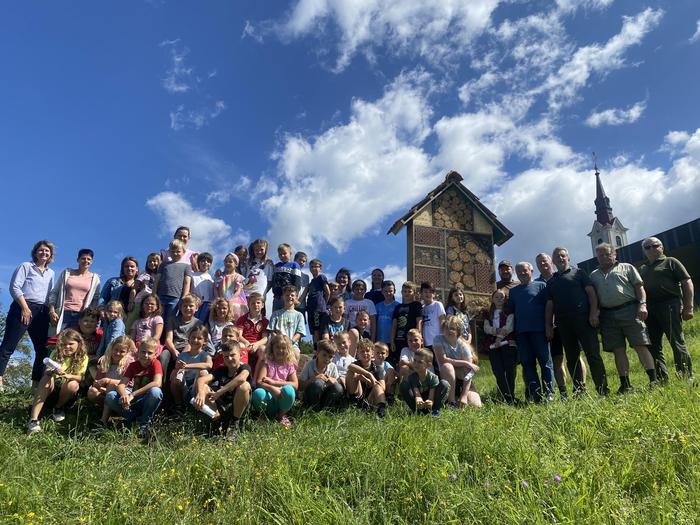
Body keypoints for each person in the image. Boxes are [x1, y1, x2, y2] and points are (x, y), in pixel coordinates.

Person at [589, 243, 657, 393]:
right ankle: (625, 384)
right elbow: (593, 298)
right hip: (607, 316)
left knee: (640, 345)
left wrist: (642, 305)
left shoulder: (627, 267)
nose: (604, 257)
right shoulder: (593, 275)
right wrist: (595, 313)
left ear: (614, 254)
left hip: (630, 311)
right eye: (600, 255)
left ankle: (653, 380)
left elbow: (640, 288)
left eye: (607, 254)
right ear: (597, 258)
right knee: (618, 350)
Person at [545, 247, 609, 396]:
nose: (560, 259)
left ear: (568, 258)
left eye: (563, 256)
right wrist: (548, 325)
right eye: (557, 257)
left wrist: (594, 313)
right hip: (563, 324)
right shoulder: (551, 281)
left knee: (593, 355)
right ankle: (580, 391)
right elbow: (550, 305)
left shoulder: (579, 273)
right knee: (572, 358)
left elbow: (591, 293)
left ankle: (602, 389)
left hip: (584, 320)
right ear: (553, 261)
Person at [0, 240, 55, 391]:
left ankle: (35, 384)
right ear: (35, 252)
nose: (44, 253)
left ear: (50, 255)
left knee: (42, 349)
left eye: (47, 251)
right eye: (41, 250)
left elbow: (50, 295)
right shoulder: (26, 266)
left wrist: (51, 310)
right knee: (9, 345)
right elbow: (15, 287)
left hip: (41, 311)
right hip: (23, 306)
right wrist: (24, 307)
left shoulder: (51, 273)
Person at [640, 237, 695, 380]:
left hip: (670, 304)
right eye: (647, 247)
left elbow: (687, 282)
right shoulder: (643, 269)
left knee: (676, 341)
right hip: (650, 309)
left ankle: (685, 376)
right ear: (644, 252)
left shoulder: (671, 262)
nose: (651, 249)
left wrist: (689, 306)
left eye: (655, 245)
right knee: (653, 345)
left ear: (662, 247)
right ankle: (661, 378)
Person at [507, 262, 554, 402]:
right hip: (521, 333)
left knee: (545, 362)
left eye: (525, 270)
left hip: (540, 330)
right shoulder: (513, 291)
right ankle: (536, 394)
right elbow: (510, 313)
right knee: (528, 364)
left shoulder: (541, 286)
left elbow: (549, 307)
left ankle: (549, 393)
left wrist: (549, 326)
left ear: (531, 270)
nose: (522, 273)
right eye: (519, 271)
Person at [27, 329, 88, 434]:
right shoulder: (55, 353)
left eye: (71, 344)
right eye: (64, 344)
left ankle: (58, 407)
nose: (67, 347)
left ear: (79, 343)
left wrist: (67, 375)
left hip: (67, 393)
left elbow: (81, 378)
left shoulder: (83, 357)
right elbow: (46, 371)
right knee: (46, 378)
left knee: (73, 384)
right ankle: (33, 420)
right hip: (51, 390)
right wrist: (53, 371)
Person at [104, 337, 163, 440]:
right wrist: (124, 395)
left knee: (156, 392)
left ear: (155, 354)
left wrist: (133, 394)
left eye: (149, 353)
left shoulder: (155, 363)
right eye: (143, 352)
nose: (145, 355)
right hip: (133, 401)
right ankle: (134, 418)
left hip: (146, 399)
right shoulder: (133, 365)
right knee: (110, 396)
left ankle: (144, 422)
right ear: (138, 352)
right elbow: (121, 385)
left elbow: (157, 383)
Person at [193, 340, 252, 440]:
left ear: (240, 355)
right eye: (226, 356)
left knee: (244, 386)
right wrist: (200, 393)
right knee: (203, 387)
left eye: (233, 355)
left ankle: (234, 423)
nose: (229, 359)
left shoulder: (244, 367)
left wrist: (219, 392)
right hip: (221, 405)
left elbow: (242, 378)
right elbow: (202, 379)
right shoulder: (221, 370)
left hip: (239, 405)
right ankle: (217, 422)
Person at [535, 252, 575, 399]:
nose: (543, 264)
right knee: (557, 361)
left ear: (551, 261)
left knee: (576, 356)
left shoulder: (561, 276)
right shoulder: (537, 284)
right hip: (552, 327)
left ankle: (580, 388)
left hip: (568, 322)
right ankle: (563, 392)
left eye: (545, 261)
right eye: (539, 263)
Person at [48, 248, 101, 336]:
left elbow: (95, 299)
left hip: (81, 316)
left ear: (92, 261)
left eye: (89, 259)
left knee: (76, 343)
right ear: (78, 259)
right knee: (58, 340)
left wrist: (91, 317)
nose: (86, 261)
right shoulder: (67, 273)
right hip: (63, 313)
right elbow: (55, 292)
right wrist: (52, 311)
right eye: (83, 258)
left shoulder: (95, 278)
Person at [433, 316, 481, 408]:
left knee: (476, 406)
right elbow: (443, 359)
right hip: (446, 378)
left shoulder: (464, 346)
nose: (449, 330)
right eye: (446, 327)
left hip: (463, 381)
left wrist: (464, 396)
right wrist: (466, 363)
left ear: (458, 331)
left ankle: (460, 396)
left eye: (452, 328)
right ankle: (452, 403)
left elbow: (469, 372)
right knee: (447, 366)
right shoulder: (438, 339)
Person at [251, 333, 298, 427]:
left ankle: (281, 416)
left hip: (282, 401)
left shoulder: (289, 364)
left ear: (288, 349)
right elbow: (259, 382)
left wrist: (275, 383)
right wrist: (272, 389)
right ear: (272, 348)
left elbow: (295, 384)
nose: (280, 350)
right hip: (268, 399)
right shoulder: (267, 362)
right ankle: (262, 416)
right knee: (258, 393)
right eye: (277, 347)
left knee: (289, 390)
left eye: (283, 348)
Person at [88, 335, 134, 424]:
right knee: (92, 392)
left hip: (124, 392)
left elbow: (129, 383)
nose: (117, 353)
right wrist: (98, 384)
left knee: (111, 386)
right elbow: (98, 380)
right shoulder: (106, 360)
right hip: (108, 390)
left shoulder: (129, 363)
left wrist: (108, 381)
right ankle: (111, 410)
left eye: (122, 351)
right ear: (112, 348)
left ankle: (103, 420)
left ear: (127, 352)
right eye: (116, 350)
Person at [483, 289, 517, 404]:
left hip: (508, 344)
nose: (499, 299)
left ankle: (510, 397)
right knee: (498, 371)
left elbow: (509, 327)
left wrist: (499, 338)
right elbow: (486, 328)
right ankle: (506, 398)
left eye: (501, 297)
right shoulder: (489, 313)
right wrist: (496, 331)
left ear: (505, 299)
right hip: (493, 346)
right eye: (496, 297)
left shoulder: (509, 312)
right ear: (492, 299)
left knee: (510, 371)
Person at [171, 325, 213, 412]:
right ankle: (179, 405)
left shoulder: (205, 355)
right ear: (188, 338)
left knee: (203, 373)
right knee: (175, 374)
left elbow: (209, 365)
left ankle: (197, 405)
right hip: (184, 385)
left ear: (205, 341)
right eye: (193, 337)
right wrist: (178, 368)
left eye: (199, 338)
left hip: (197, 386)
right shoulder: (183, 355)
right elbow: (176, 368)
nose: (195, 340)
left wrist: (187, 366)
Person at [399, 348, 450, 416]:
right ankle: (417, 411)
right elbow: (417, 394)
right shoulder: (412, 377)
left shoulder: (433, 377)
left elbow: (431, 397)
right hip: (418, 403)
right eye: (414, 360)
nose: (416, 364)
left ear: (428, 365)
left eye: (420, 362)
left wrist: (430, 401)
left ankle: (435, 410)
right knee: (403, 385)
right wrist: (418, 399)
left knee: (444, 384)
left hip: (431, 403)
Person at [155, 239, 193, 328]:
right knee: (158, 320)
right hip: (161, 296)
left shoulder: (186, 266)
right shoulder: (164, 264)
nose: (175, 253)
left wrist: (184, 296)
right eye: (173, 251)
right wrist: (153, 294)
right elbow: (157, 280)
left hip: (175, 298)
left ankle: (168, 340)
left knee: (170, 320)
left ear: (183, 252)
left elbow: (187, 282)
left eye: (178, 251)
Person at [346, 338, 387, 418]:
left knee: (378, 386)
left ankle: (381, 412)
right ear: (358, 353)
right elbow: (350, 366)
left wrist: (368, 381)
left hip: (370, 399)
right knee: (351, 373)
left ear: (372, 353)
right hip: (358, 394)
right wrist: (369, 375)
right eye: (362, 351)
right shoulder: (355, 364)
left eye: (367, 351)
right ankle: (354, 403)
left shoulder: (378, 368)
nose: (365, 353)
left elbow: (383, 387)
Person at [299, 339, 343, 411]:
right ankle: (313, 410)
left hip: (325, 397)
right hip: (310, 396)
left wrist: (334, 381)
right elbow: (300, 386)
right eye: (324, 355)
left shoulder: (332, 366)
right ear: (317, 353)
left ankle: (325, 410)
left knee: (338, 387)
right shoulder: (309, 364)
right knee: (318, 383)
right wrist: (312, 379)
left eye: (330, 357)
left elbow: (338, 385)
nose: (327, 359)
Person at [163, 294, 205, 369]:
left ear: (196, 308)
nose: (188, 308)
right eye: (185, 306)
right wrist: (174, 351)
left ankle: (178, 377)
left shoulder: (198, 323)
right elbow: (168, 339)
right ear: (180, 308)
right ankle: (162, 379)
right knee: (163, 355)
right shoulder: (172, 320)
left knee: (187, 354)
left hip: (189, 348)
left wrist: (183, 354)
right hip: (173, 347)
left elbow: (196, 341)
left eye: (191, 306)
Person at [390, 281, 423, 368]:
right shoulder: (398, 307)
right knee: (399, 362)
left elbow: (419, 321)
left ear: (414, 293)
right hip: (399, 339)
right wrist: (392, 340)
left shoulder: (417, 305)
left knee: (413, 360)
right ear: (401, 292)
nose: (407, 293)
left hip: (412, 340)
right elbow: (394, 324)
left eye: (409, 291)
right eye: (404, 291)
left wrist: (418, 337)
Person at [268, 285, 306, 359]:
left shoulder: (299, 315)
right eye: (287, 295)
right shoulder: (276, 313)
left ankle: (293, 371)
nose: (290, 297)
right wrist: (279, 342)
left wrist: (289, 343)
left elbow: (299, 333)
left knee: (296, 354)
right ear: (283, 297)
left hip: (292, 344)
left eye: (292, 295)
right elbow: (272, 331)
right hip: (277, 343)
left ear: (296, 297)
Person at [300, 259, 330, 344]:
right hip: (311, 309)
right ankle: (316, 350)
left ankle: (323, 349)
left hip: (318, 308)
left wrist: (324, 303)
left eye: (316, 266)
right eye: (312, 267)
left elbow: (327, 292)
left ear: (320, 268)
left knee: (318, 330)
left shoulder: (321, 277)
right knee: (313, 331)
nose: (313, 268)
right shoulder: (311, 282)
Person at [243, 239, 274, 311]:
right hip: (247, 294)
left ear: (265, 249)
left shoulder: (268, 263)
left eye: (261, 249)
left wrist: (264, 291)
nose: (259, 252)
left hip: (260, 295)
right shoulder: (248, 261)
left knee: (259, 318)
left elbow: (270, 281)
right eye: (256, 250)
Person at [270, 244, 302, 312]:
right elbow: (273, 281)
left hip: (288, 297)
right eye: (280, 254)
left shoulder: (295, 265)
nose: (282, 256)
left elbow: (297, 282)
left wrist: (295, 296)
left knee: (288, 317)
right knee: (276, 316)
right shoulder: (276, 266)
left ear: (290, 253)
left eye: (284, 253)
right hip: (277, 297)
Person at [420, 281, 446, 350]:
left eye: (430, 292)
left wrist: (443, 339)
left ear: (434, 294)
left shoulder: (438, 304)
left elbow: (442, 322)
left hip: (437, 342)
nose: (428, 294)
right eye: (425, 291)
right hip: (426, 343)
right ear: (421, 294)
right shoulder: (422, 308)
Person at [192, 252, 215, 322]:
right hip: (195, 303)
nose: (205, 263)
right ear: (198, 263)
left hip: (208, 305)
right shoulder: (192, 275)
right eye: (203, 261)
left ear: (210, 264)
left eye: (208, 261)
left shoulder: (212, 278)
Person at [375, 280, 400, 345]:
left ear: (394, 291)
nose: (388, 293)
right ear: (382, 292)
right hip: (379, 341)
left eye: (390, 291)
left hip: (393, 341)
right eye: (385, 291)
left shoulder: (399, 306)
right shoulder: (377, 306)